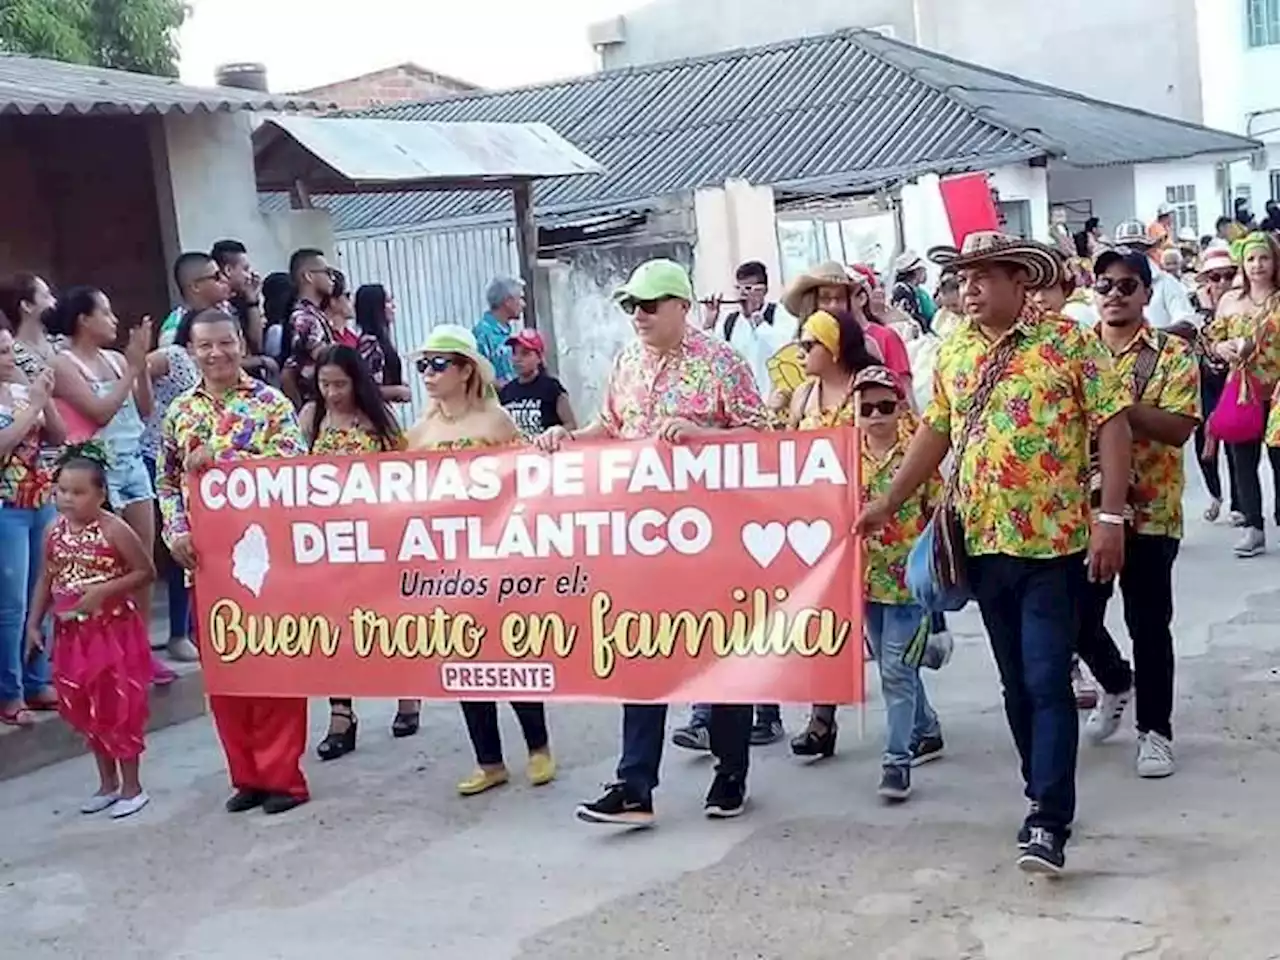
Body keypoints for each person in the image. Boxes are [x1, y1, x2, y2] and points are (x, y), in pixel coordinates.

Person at [857, 232, 1132, 875]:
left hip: (1054, 544)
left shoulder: (1068, 342)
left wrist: (1110, 517)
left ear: (1019, 281)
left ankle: (1049, 820)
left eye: (983, 277)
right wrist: (890, 503)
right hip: (981, 544)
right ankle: (1039, 788)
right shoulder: (951, 352)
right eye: (961, 279)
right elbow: (935, 433)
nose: (969, 289)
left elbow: (1113, 423)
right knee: (1014, 683)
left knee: (1045, 678)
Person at [536, 258, 765, 825]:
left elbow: (763, 437)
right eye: (631, 306)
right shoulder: (627, 362)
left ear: (681, 307)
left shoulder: (722, 363)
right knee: (640, 649)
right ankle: (634, 783)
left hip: (713, 535)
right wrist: (568, 437)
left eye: (648, 304)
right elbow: (609, 428)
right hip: (640, 535)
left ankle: (730, 770)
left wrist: (703, 436)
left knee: (722, 649)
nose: (637, 315)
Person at [157, 308, 311, 815]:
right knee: (225, 673)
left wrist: (225, 465)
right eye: (205, 346)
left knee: (274, 667)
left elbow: (294, 469)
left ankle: (283, 777)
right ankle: (246, 774)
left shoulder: (270, 404)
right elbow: (167, 480)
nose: (216, 354)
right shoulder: (179, 411)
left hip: (265, 561)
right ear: (192, 351)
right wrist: (175, 532)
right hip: (204, 562)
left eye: (225, 343)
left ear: (240, 344)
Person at [406, 325, 555, 795]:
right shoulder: (419, 432)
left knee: (512, 652)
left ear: (466, 370)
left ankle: (538, 748)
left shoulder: (497, 424)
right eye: (422, 365)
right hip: (445, 564)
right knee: (463, 657)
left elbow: (525, 483)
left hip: (497, 556)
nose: (428, 374)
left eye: (438, 364)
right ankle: (488, 760)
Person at [1073, 248, 1199, 781]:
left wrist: (1112, 406)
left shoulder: (1169, 354)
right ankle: (1115, 680)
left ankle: (1156, 731)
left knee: (1149, 623)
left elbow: (1179, 427)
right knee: (1077, 617)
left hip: (1152, 511)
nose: (1115, 295)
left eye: (1127, 286)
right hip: (1088, 510)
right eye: (1104, 285)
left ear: (1147, 293)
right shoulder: (1075, 352)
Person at [769, 309, 883, 759]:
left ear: (835, 346)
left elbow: (903, 435)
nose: (802, 350)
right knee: (823, 624)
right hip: (819, 529)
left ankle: (919, 721)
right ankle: (822, 719)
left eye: (811, 343)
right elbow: (787, 451)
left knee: (885, 633)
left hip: (872, 523)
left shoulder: (868, 386)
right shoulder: (803, 395)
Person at [26, 444, 155, 818]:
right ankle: (107, 785)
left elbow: (145, 572)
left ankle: (133, 787)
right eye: (62, 490)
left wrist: (103, 591)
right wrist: (35, 623)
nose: (67, 498)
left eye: (78, 492)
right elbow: (46, 579)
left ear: (100, 494)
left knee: (119, 707)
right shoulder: (53, 529)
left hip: (112, 632)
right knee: (86, 707)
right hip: (71, 636)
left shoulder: (115, 529)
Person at [301, 345, 406, 762]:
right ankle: (341, 713)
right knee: (333, 626)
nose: (332, 393)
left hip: (376, 538)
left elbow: (405, 471)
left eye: (340, 384)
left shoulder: (378, 419)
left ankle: (406, 694)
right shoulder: (312, 418)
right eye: (325, 384)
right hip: (327, 541)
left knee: (386, 619)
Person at [852, 365, 946, 799]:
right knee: (900, 669)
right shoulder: (843, 457)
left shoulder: (918, 456)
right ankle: (926, 726)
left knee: (894, 670)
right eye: (865, 406)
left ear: (900, 407)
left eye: (884, 406)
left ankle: (897, 761)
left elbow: (941, 514)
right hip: (865, 582)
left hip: (909, 582)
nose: (874, 415)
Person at [48, 290, 156, 654]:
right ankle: (110, 646)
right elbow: (100, 411)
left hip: (132, 461)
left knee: (142, 556)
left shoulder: (114, 359)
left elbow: (144, 409)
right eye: (105, 313)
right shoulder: (64, 364)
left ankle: (139, 644)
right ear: (83, 319)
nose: (113, 320)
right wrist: (132, 369)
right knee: (109, 561)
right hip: (97, 466)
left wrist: (137, 370)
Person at [0, 328, 65, 727]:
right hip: (6, 506)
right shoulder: (22, 401)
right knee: (11, 605)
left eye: (10, 348)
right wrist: (34, 405)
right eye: (1, 351)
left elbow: (58, 436)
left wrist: (45, 397)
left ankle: (38, 679)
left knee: (42, 594)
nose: (8, 356)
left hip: (41, 500)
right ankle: (10, 691)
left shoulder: (23, 392)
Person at [1205, 231, 1280, 557]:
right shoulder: (1230, 301)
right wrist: (1222, 347)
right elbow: (1213, 340)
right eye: (1250, 259)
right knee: (1242, 460)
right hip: (1243, 389)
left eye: (1264, 257)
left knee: (1279, 458)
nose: (1257, 265)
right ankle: (1253, 526)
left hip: (1278, 389)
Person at [139, 312, 201, 663]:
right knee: (179, 546)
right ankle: (179, 632)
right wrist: (146, 412)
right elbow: (140, 371)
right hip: (160, 457)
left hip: (203, 468)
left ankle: (194, 627)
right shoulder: (174, 356)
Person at [1192, 246, 1241, 524]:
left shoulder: (1240, 302)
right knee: (1205, 444)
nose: (1222, 282)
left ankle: (1238, 502)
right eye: (1215, 277)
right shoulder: (1192, 305)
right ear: (1206, 280)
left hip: (1233, 380)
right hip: (1202, 382)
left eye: (1228, 275)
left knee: (1236, 443)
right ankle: (1215, 494)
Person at [701, 260, 794, 395]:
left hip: (776, 399)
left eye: (748, 289)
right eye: (738, 288)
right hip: (743, 402)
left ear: (763, 290)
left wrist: (759, 323)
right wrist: (709, 323)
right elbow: (711, 357)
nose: (743, 294)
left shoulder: (780, 315)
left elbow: (787, 350)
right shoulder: (729, 323)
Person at [210, 239, 277, 382]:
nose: (249, 275)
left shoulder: (237, 304)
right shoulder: (212, 310)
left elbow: (256, 344)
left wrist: (252, 299)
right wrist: (260, 361)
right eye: (245, 269)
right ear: (228, 270)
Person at [1111, 220, 1198, 330]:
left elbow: (1186, 322)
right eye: (1123, 248)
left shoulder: (1166, 283)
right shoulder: (1108, 288)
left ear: (1145, 250)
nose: (1129, 254)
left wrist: (1153, 338)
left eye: (1134, 247)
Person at [283, 248, 339, 407]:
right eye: (327, 272)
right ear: (308, 276)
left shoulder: (314, 313)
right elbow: (329, 359)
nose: (332, 278)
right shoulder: (304, 317)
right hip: (314, 403)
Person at [499, 328, 576, 437]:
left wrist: (555, 433)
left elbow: (571, 425)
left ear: (539, 358)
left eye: (525, 353)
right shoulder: (507, 391)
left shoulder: (552, 388)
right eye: (515, 353)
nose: (517, 359)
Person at [353, 284, 412, 406]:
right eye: (387, 302)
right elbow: (365, 389)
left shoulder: (380, 341)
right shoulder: (369, 344)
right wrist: (396, 391)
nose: (393, 306)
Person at [158, 252, 229, 348]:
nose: (225, 279)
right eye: (217, 277)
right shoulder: (173, 331)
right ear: (196, 286)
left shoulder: (227, 310)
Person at [473, 276, 524, 386]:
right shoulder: (483, 334)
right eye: (520, 299)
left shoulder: (506, 331)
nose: (523, 304)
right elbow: (478, 375)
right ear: (508, 301)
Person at [891, 250, 935, 332]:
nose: (925, 273)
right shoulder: (902, 290)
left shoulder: (917, 291)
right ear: (916, 271)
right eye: (923, 270)